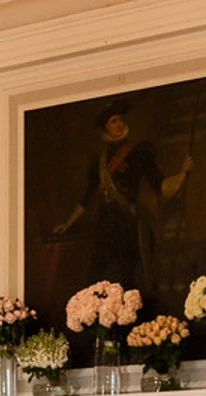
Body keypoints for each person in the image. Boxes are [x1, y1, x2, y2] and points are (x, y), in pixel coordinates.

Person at [51, 103, 194, 293]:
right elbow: (87, 196)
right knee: (98, 280)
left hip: (128, 225)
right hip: (105, 227)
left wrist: (183, 173)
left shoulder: (140, 152)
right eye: (113, 121)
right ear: (106, 127)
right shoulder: (98, 161)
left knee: (128, 278)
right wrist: (68, 224)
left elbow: (161, 186)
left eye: (121, 119)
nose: (119, 124)